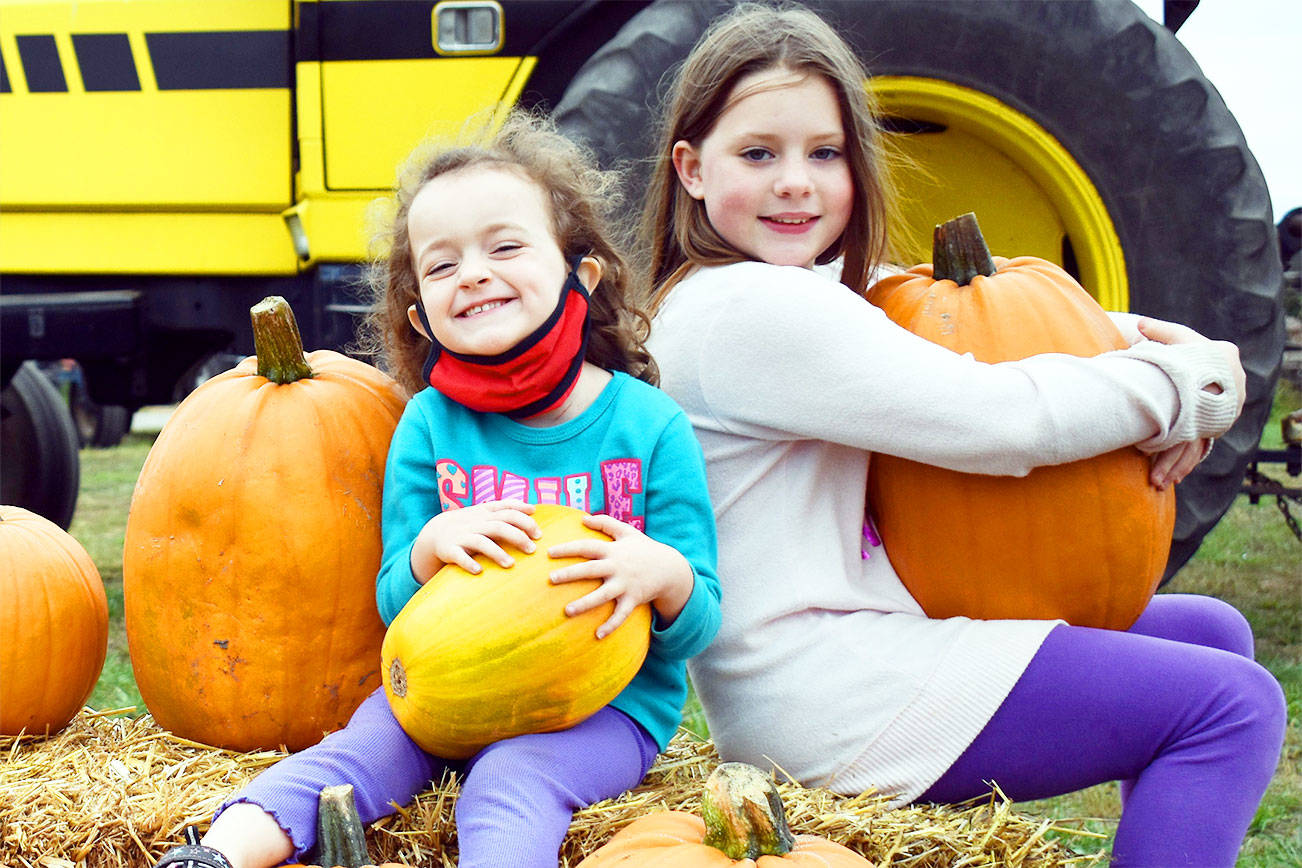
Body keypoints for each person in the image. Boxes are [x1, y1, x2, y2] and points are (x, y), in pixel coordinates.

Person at [639, 4, 1286, 866]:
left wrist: (1193, 365)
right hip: (828, 694)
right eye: (759, 154)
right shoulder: (748, 311)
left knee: (1209, 634)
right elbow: (999, 418)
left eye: (824, 153)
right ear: (689, 168)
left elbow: (1018, 325)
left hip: (848, 648)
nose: (795, 180)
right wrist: (1182, 390)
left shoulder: (769, 293)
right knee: (1232, 705)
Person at [154, 112, 721, 868]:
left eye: (506, 246)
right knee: (358, 753)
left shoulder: (650, 427)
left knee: (510, 780)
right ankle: (218, 855)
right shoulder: (427, 425)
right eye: (443, 263)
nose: (475, 273)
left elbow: (702, 619)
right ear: (421, 314)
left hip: (601, 712)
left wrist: (665, 575)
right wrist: (425, 551)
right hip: (440, 693)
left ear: (580, 274)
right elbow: (394, 604)